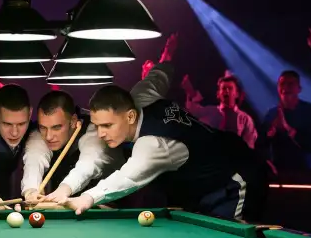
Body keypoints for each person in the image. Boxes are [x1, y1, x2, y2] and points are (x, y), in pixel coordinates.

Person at [52, 65, 268, 222]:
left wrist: (88, 198)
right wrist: (167, 58)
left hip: (236, 176)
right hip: (202, 180)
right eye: (98, 125)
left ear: (129, 117)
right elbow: (160, 73)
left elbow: (127, 177)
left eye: (107, 125)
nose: (101, 134)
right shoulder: (143, 94)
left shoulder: (153, 145)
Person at [21, 91, 116, 202]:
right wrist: (31, 190)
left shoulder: (93, 131)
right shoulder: (39, 135)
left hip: (105, 204)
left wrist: (63, 190)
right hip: (64, 206)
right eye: (43, 127)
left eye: (56, 127)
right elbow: (34, 157)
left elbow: (89, 163)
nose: (48, 136)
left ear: (73, 121)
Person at [181, 73, 257, 149]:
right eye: (223, 88)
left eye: (230, 88)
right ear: (218, 94)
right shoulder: (208, 111)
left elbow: (248, 147)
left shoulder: (245, 119)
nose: (226, 91)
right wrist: (190, 92)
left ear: (237, 94)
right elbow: (193, 111)